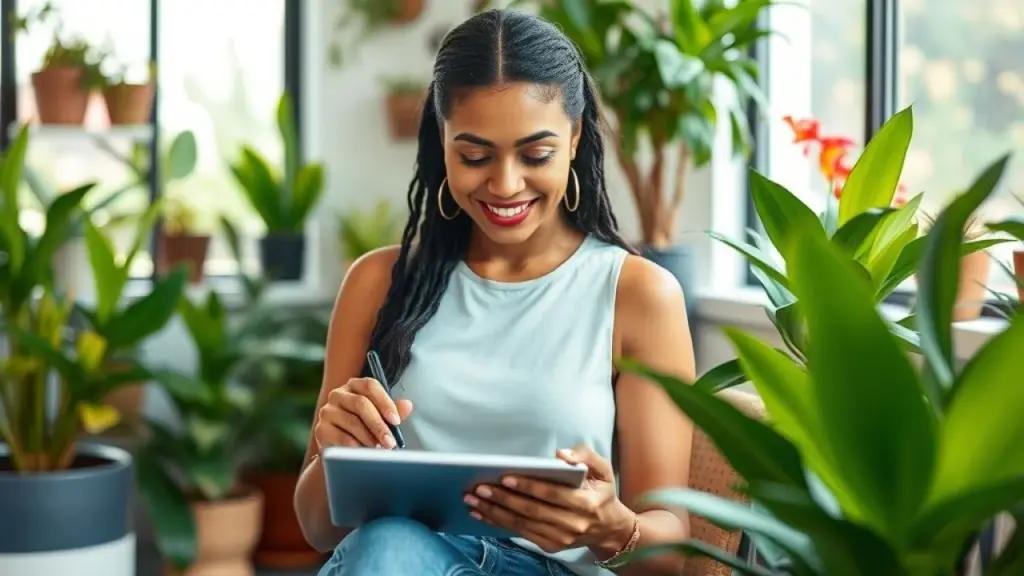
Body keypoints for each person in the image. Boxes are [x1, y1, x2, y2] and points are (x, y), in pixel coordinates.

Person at [294, 8, 695, 576]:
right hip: (400, 562)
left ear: (577, 138)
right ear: (441, 141)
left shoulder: (636, 295)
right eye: (475, 156)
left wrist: (614, 528)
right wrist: (334, 453)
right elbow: (316, 529)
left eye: (536, 155)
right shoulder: (377, 284)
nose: (506, 185)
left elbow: (672, 555)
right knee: (385, 547)